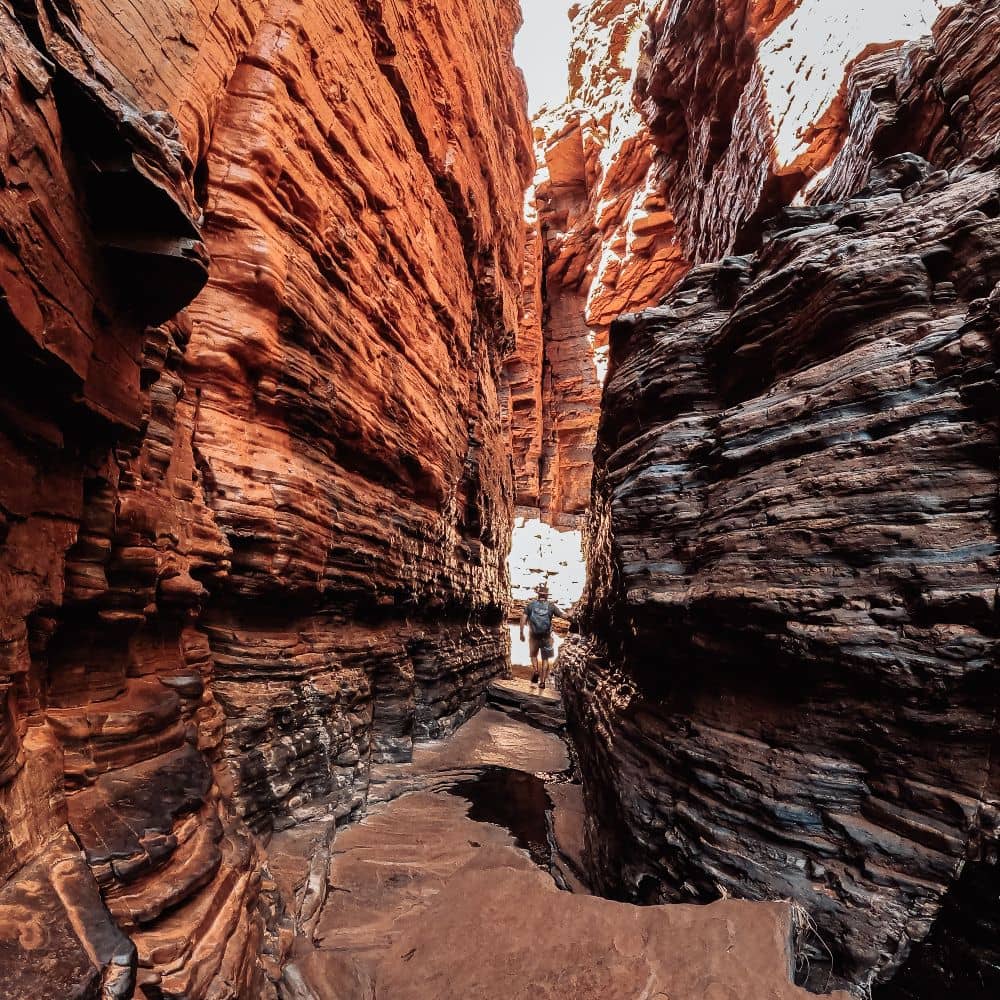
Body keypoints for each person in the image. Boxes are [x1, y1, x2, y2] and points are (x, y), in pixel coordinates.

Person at [519, 583, 569, 690]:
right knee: (545, 659)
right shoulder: (551, 606)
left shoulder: (531, 605)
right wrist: (572, 615)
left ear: (538, 594)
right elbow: (563, 616)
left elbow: (523, 618)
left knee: (533, 655)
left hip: (533, 636)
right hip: (546, 637)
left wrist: (521, 632)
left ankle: (536, 671)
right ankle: (542, 682)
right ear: (546, 595)